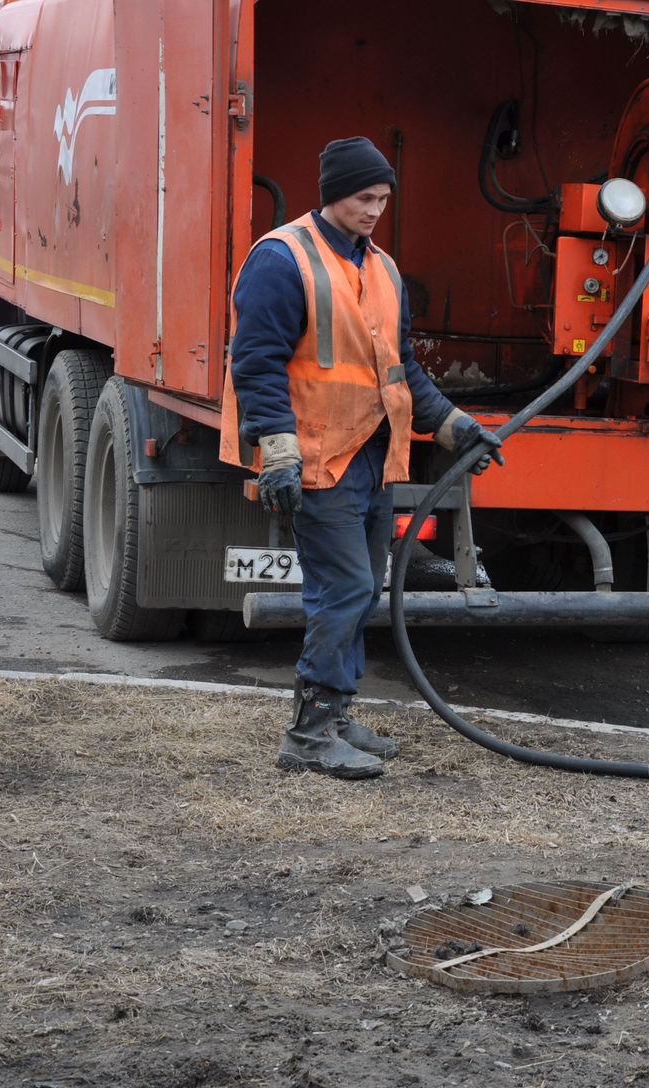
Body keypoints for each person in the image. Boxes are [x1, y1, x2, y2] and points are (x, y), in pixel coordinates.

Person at [219, 137, 504, 780]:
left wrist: (458, 428)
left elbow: (401, 373)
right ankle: (310, 733)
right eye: (363, 198)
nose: (376, 209)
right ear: (332, 195)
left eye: (382, 198)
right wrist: (279, 454)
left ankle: (337, 713)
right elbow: (257, 363)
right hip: (318, 458)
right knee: (343, 588)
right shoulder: (283, 259)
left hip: (373, 457)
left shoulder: (383, 269)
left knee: (359, 588)